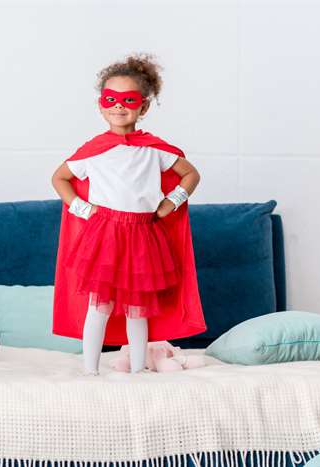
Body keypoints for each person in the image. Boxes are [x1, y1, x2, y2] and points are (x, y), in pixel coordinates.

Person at [50, 52, 207, 375]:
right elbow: (60, 178)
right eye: (111, 98)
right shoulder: (93, 151)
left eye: (128, 99)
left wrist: (171, 202)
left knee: (139, 310)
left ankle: (138, 372)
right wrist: (83, 209)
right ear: (100, 104)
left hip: (142, 235)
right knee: (100, 306)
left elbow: (191, 174)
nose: (119, 106)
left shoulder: (155, 150)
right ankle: (90, 371)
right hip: (104, 236)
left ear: (143, 106)